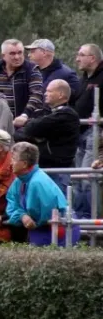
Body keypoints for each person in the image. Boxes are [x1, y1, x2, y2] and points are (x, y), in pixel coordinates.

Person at [5, 142, 80, 246]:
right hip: (40, 229)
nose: (10, 163)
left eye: (13, 159)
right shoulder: (18, 181)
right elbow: (12, 204)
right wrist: (22, 216)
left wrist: (29, 219)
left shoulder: (38, 182)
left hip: (58, 228)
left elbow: (48, 213)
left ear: (24, 164)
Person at [15, 79, 79, 195]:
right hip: (41, 170)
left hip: (58, 172)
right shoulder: (46, 114)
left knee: (57, 209)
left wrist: (33, 131)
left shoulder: (67, 115)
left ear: (60, 95)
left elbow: (32, 128)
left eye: (49, 91)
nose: (45, 93)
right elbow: (19, 134)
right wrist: (37, 135)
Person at [73, 43, 103, 218]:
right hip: (81, 132)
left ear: (92, 58)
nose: (77, 58)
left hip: (96, 133)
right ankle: (80, 221)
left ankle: (92, 220)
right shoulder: (84, 78)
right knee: (77, 178)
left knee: (88, 177)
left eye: (81, 54)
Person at [0, 39, 43, 128]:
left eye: (20, 53)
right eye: (12, 54)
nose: (17, 57)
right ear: (3, 56)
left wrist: (25, 115)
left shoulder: (31, 70)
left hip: (23, 125)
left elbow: (37, 95)